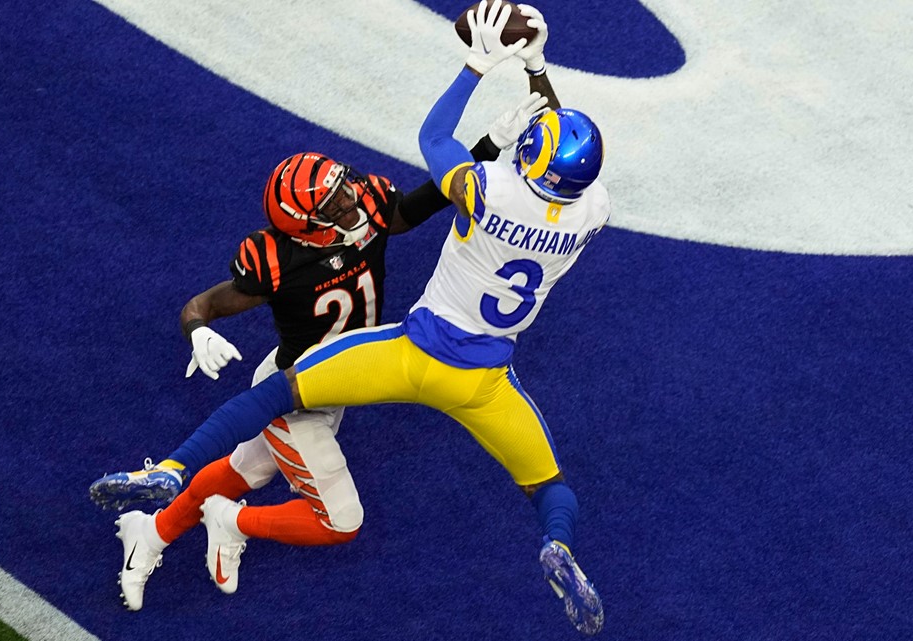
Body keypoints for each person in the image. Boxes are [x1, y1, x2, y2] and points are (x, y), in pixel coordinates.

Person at [91, 1, 608, 634]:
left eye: (342, 187)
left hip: (387, 358)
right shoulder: (592, 210)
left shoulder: (470, 195)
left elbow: (430, 170)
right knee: (339, 508)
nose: (348, 196)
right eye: (333, 199)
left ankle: (159, 515)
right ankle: (193, 505)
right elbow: (550, 144)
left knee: (248, 463)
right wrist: (536, 70)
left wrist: (480, 79)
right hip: (465, 374)